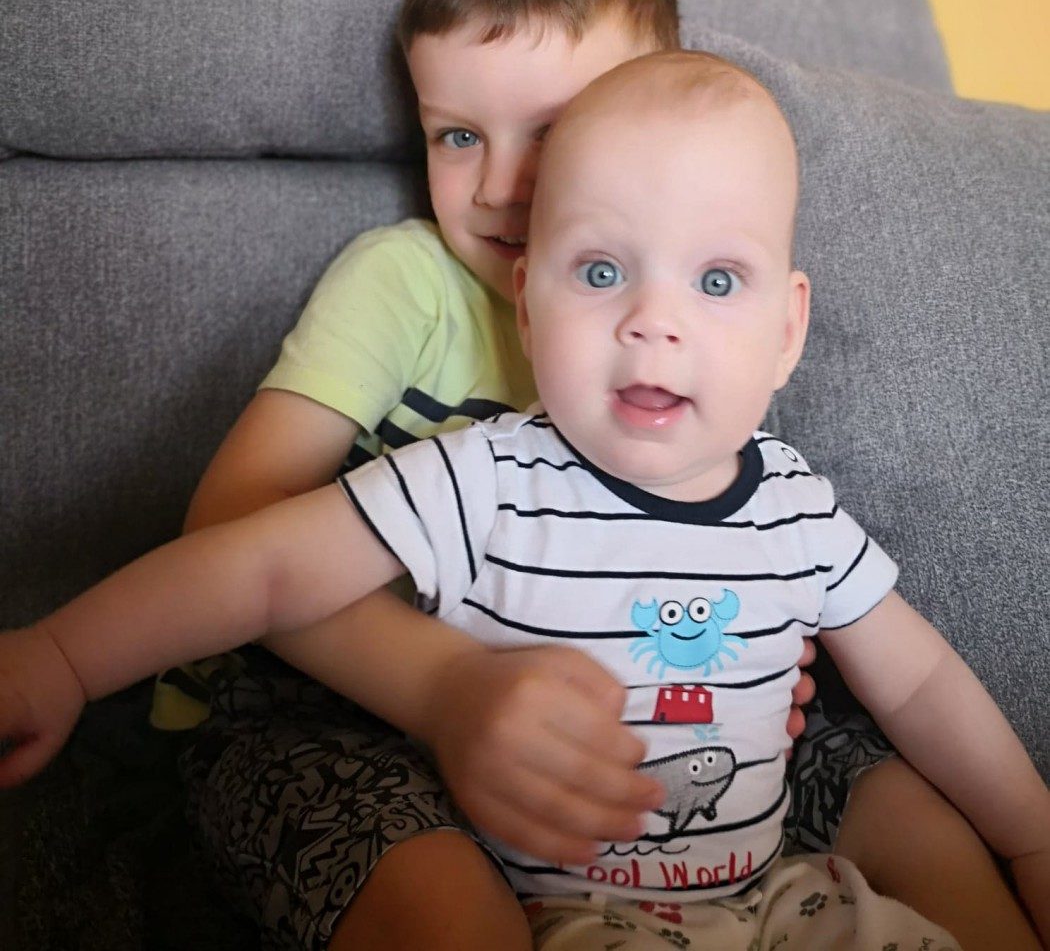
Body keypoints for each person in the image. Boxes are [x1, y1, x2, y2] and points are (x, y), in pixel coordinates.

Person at [2, 52, 1047, 951]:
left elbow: (919, 682)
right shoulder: (484, 476)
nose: (654, 321)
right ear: (529, 308)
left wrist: (1032, 836)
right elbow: (263, 567)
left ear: (787, 330)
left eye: (718, 281)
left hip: (784, 898)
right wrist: (63, 658)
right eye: (600, 270)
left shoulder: (798, 508)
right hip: (564, 916)